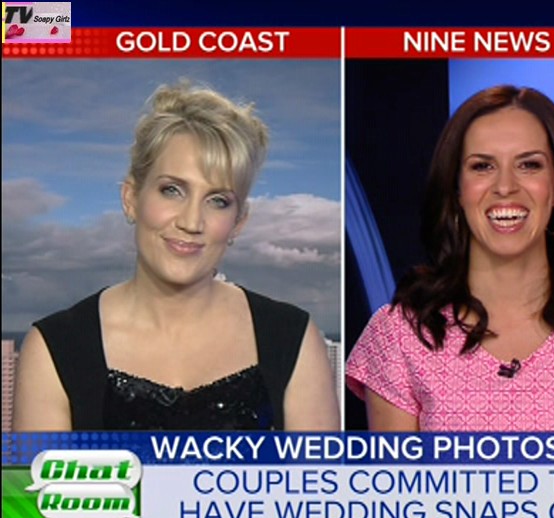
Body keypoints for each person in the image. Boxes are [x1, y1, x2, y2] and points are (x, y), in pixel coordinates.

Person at [345, 85, 554, 464]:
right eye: (482, 166)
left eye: (529, 165)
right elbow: (399, 498)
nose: (505, 187)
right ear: (456, 191)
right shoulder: (398, 335)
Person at [13, 81, 340, 431]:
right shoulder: (56, 348)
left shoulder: (291, 339)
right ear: (131, 198)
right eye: (172, 190)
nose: (191, 222)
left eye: (218, 201)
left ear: (238, 222)